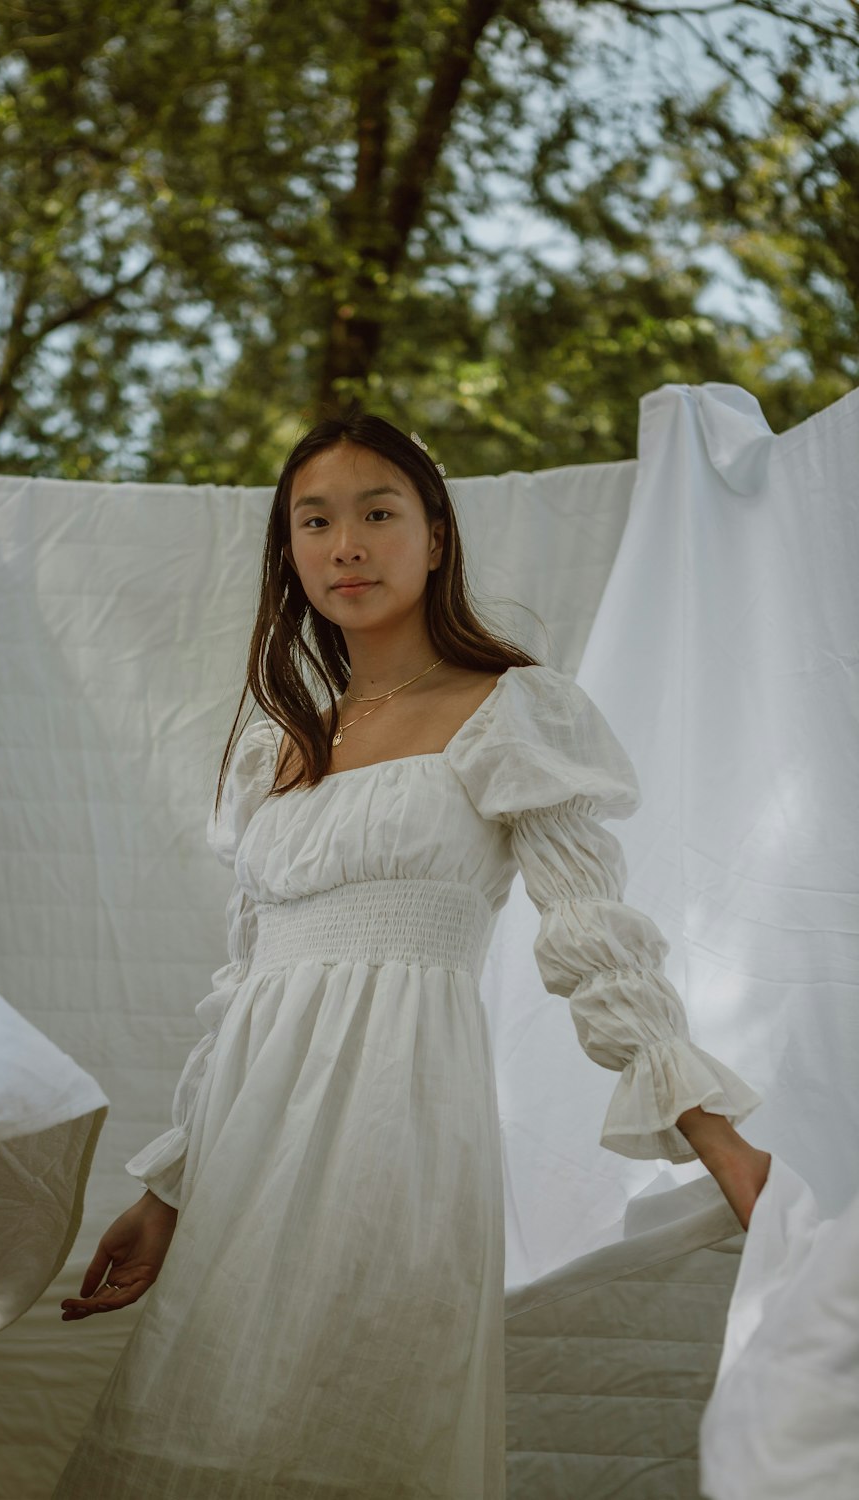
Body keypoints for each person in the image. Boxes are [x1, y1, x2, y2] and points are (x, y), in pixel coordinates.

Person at [52, 406, 771, 1500]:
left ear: (434, 535)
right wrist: (169, 1192)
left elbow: (595, 943)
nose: (346, 545)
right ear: (287, 553)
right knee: (201, 1417)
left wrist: (722, 1148)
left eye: (377, 513)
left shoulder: (509, 710)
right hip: (248, 1133)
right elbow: (244, 983)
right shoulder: (274, 749)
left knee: (358, 1413)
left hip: (397, 1117)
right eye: (315, 521)